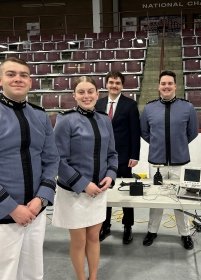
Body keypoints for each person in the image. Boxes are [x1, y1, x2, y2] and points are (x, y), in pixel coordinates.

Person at [52, 76, 118, 280]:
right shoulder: (65, 120)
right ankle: (81, 278)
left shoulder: (104, 119)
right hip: (74, 192)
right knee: (79, 241)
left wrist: (110, 175)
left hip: (98, 191)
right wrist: (82, 184)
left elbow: (112, 154)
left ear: (98, 94)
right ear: (74, 95)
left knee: (94, 238)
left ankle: (94, 277)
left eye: (90, 91)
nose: (86, 95)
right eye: (81, 92)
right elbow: (58, 160)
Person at [0, 57, 59, 280]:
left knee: (33, 274)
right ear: (0, 80)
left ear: (30, 82)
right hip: (4, 214)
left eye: (23, 75)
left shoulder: (40, 116)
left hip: (36, 212)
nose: (18, 79)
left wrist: (41, 199)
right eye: (11, 74)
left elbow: (51, 159)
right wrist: (11, 207)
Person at [140, 70, 199, 250]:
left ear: (175, 85)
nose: (166, 86)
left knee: (180, 200)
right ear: (159, 86)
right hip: (156, 163)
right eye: (163, 83)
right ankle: (152, 230)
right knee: (155, 199)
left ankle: (185, 233)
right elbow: (144, 132)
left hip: (179, 164)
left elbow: (193, 132)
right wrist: (159, 144)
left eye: (169, 83)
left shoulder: (187, 107)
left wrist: (178, 144)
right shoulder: (149, 108)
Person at [95, 71, 141, 244]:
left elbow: (135, 132)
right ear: (106, 84)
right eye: (111, 82)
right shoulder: (98, 104)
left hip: (123, 156)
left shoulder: (130, 105)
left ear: (122, 86)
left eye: (117, 83)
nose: (114, 85)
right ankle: (105, 225)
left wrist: (134, 155)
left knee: (125, 192)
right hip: (102, 157)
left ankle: (127, 226)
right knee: (104, 192)